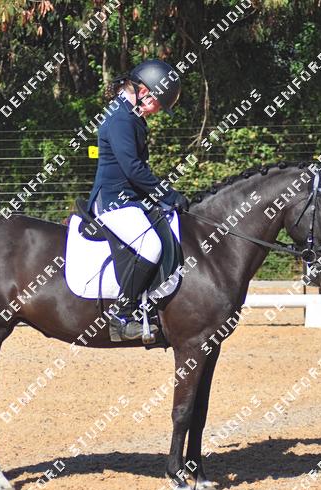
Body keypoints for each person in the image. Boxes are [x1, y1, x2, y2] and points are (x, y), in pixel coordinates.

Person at [87, 59, 190, 341]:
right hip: (113, 201)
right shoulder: (120, 118)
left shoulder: (130, 115)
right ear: (144, 91)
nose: (157, 110)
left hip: (130, 199)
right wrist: (167, 194)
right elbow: (133, 169)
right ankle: (122, 316)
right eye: (158, 103)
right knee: (151, 246)